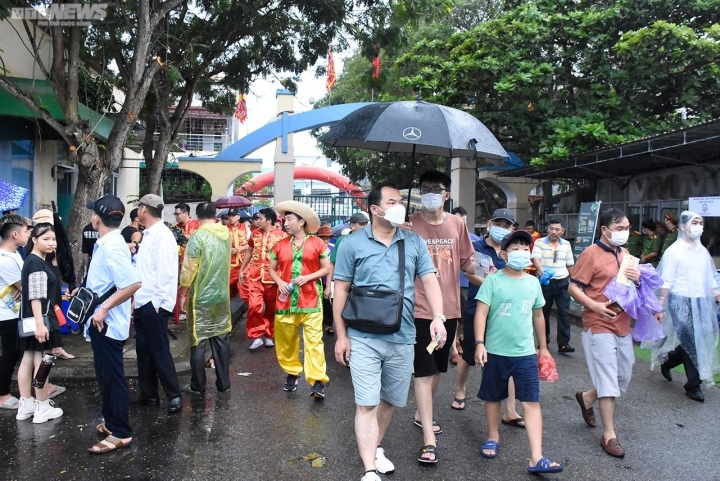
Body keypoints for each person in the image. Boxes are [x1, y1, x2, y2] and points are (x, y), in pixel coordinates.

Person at [333, 183, 446, 480]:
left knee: (389, 401)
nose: (400, 206)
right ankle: (369, 469)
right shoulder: (352, 244)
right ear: (374, 208)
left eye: (401, 201)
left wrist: (438, 316)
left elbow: (430, 280)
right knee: (367, 402)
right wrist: (341, 336)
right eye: (392, 201)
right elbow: (340, 289)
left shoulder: (414, 242)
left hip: (403, 335)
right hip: (363, 335)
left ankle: (377, 446)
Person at [474, 230, 563, 474]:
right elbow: (481, 313)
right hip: (495, 351)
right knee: (493, 397)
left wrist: (543, 348)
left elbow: (538, 316)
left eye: (526, 248)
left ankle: (536, 456)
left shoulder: (533, 283)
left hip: (525, 353)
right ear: (504, 254)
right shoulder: (493, 280)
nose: (521, 252)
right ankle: (493, 436)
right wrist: (479, 343)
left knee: (531, 401)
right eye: (515, 248)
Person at [409, 170, 477, 463]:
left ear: (446, 195)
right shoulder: (409, 223)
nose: (430, 194)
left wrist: (499, 281)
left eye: (435, 189)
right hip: (419, 309)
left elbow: (468, 266)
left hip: (449, 308)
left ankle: (419, 412)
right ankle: (428, 438)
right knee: (423, 371)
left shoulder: (457, 224)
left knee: (437, 369)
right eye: (425, 188)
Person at [569, 208, 641, 459]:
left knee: (623, 377)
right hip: (598, 324)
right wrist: (593, 305)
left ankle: (587, 397)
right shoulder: (590, 254)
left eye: (627, 227)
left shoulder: (626, 254)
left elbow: (631, 288)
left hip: (622, 324)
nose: (625, 232)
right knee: (609, 380)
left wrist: (639, 278)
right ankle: (609, 434)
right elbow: (574, 287)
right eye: (620, 228)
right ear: (605, 229)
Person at [451, 208, 524, 429]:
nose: (503, 228)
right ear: (490, 224)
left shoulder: (514, 250)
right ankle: (461, 389)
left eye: (508, 225)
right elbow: (469, 273)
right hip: (478, 308)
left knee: (508, 357)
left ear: (512, 228)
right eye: (499, 223)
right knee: (471, 354)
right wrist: (494, 287)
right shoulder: (476, 247)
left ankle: (510, 410)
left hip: (506, 312)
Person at [84, 195, 142, 454]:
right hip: (101, 321)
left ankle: (120, 431)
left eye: (92, 214)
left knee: (113, 377)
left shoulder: (112, 246)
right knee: (105, 375)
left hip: (105, 323)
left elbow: (132, 283)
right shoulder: (107, 243)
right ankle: (110, 421)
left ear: (97, 218)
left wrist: (104, 308)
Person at [654, 211, 720, 402]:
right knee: (691, 339)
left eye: (700, 222)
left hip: (700, 301)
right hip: (679, 300)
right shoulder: (674, 251)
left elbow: (711, 279)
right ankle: (693, 385)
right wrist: (660, 307)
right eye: (694, 222)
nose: (698, 226)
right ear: (683, 226)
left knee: (698, 337)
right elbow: (665, 282)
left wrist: (717, 298)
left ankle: (668, 362)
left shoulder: (703, 251)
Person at [269, 201, 331, 398]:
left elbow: (326, 268)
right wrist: (279, 281)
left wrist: (308, 277)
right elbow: (271, 268)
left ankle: (318, 380)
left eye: (289, 219)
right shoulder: (279, 245)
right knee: (286, 340)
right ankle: (291, 372)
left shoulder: (317, 243)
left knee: (314, 341)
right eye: (284, 219)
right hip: (285, 300)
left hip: (311, 299)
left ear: (301, 221)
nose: (285, 223)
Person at [134, 194, 183, 413]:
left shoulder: (162, 235)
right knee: (144, 350)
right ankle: (149, 394)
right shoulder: (149, 234)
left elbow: (166, 273)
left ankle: (174, 395)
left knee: (159, 350)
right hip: (144, 300)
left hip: (154, 302)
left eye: (138, 207)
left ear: (144, 209)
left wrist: (157, 303)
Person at [178, 202, 232, 394]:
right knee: (221, 339)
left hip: (201, 297)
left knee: (198, 342)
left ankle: (198, 385)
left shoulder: (197, 236)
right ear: (215, 214)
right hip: (221, 295)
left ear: (197, 216)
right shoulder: (227, 234)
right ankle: (224, 383)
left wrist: (183, 293)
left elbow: (189, 269)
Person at [16, 222, 64, 423]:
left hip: (32, 320)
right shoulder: (36, 262)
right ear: (34, 240)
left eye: (53, 239)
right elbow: (35, 297)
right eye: (46, 239)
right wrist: (40, 324)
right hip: (40, 320)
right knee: (42, 362)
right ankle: (42, 406)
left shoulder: (35, 260)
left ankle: (26, 404)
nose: (51, 243)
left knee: (29, 359)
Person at [239, 208, 287, 351]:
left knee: (272, 308)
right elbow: (249, 251)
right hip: (254, 276)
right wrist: (242, 270)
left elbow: (285, 257)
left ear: (269, 220)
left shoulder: (282, 236)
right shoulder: (254, 234)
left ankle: (268, 334)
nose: (257, 221)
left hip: (272, 277)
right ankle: (256, 335)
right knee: (254, 305)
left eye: (260, 218)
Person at [0, 215, 32, 410]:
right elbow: (25, 285)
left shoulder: (15, 254)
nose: (28, 235)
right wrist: (23, 287)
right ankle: (3, 395)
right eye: (26, 231)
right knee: (10, 353)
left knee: (16, 352)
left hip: (14, 313)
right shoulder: (5, 259)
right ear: (14, 234)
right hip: (6, 315)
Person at [531, 217, 575, 353]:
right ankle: (544, 342)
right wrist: (541, 271)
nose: (554, 232)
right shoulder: (539, 242)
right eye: (551, 228)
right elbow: (535, 258)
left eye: (557, 229)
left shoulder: (566, 245)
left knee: (564, 313)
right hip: (545, 283)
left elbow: (570, 264)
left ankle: (564, 344)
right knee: (543, 313)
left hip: (562, 282)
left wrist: (575, 282)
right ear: (548, 229)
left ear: (562, 231)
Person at [325, 212, 369, 334]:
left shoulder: (370, 241)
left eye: (366, 224)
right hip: (343, 284)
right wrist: (328, 286)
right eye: (362, 224)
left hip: (361, 285)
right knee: (342, 310)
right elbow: (332, 263)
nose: (365, 226)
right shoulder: (342, 240)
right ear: (352, 226)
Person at [450, 206, 480, 365]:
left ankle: (455, 341)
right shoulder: (447, 238)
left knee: (464, 318)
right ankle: (453, 349)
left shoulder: (474, 239)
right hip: (451, 284)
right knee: (453, 316)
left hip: (469, 284)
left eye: (463, 221)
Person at [227, 208, 250, 300]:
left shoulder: (245, 227)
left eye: (233, 216)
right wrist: (229, 249)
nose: (231, 218)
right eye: (229, 216)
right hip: (230, 263)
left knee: (245, 286)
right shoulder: (224, 229)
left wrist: (241, 248)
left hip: (244, 262)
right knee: (229, 286)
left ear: (238, 217)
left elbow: (251, 244)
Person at [315, 225, 335, 335]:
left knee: (328, 302)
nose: (326, 240)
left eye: (328, 238)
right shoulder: (315, 248)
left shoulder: (333, 247)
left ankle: (328, 324)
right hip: (316, 278)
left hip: (330, 279)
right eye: (324, 238)